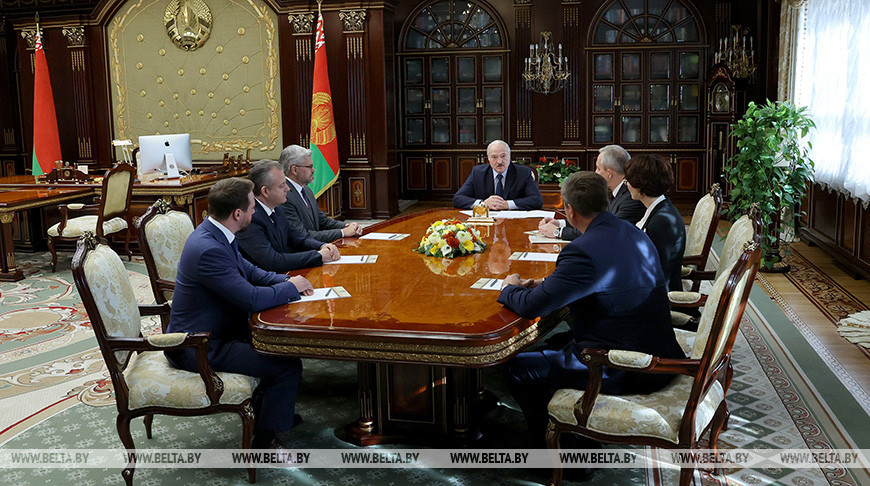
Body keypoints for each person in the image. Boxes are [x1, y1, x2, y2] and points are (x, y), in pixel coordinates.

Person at [499, 171, 684, 441]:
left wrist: (509, 287)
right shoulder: (632, 230)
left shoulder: (582, 250)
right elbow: (603, 277)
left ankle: (556, 449)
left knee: (518, 367)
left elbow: (530, 307)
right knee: (554, 342)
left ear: (569, 210)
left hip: (624, 366)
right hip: (659, 349)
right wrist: (547, 283)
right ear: (606, 200)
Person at [165, 177, 315, 449]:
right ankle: (266, 440)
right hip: (200, 345)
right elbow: (251, 299)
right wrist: (290, 288)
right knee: (286, 365)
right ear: (237, 214)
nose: (255, 212)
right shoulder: (209, 249)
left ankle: (270, 414)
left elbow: (251, 271)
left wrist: (285, 280)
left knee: (281, 347)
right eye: (252, 207)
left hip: (221, 331)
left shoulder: (217, 232)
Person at [237, 160, 340, 272]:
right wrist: (318, 256)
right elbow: (272, 261)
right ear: (265, 191)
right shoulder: (250, 218)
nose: (288, 188)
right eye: (282, 185)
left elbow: (298, 239)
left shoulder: (277, 209)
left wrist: (323, 246)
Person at [538, 144, 645, 239]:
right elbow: (594, 220)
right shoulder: (615, 191)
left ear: (609, 173)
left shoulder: (631, 198)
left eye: (598, 168)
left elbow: (604, 231)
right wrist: (559, 223)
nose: (595, 172)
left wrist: (558, 232)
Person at [624, 154, 687, 292]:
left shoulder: (662, 222)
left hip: (659, 295)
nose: (627, 185)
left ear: (640, 186)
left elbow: (654, 271)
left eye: (628, 181)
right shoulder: (661, 208)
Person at [280, 144, 362, 243]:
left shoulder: (306, 190)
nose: (313, 170)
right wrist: (342, 232)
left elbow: (323, 221)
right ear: (294, 170)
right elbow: (302, 235)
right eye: (309, 167)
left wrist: (348, 226)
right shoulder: (284, 196)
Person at [453, 140, 543, 210]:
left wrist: (507, 204)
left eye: (503, 156)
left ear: (509, 156)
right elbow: (458, 199)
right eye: (494, 157)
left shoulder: (523, 173)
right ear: (488, 158)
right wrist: (483, 204)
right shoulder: (478, 173)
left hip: (515, 222)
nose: (499, 161)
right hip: (487, 222)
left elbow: (537, 200)